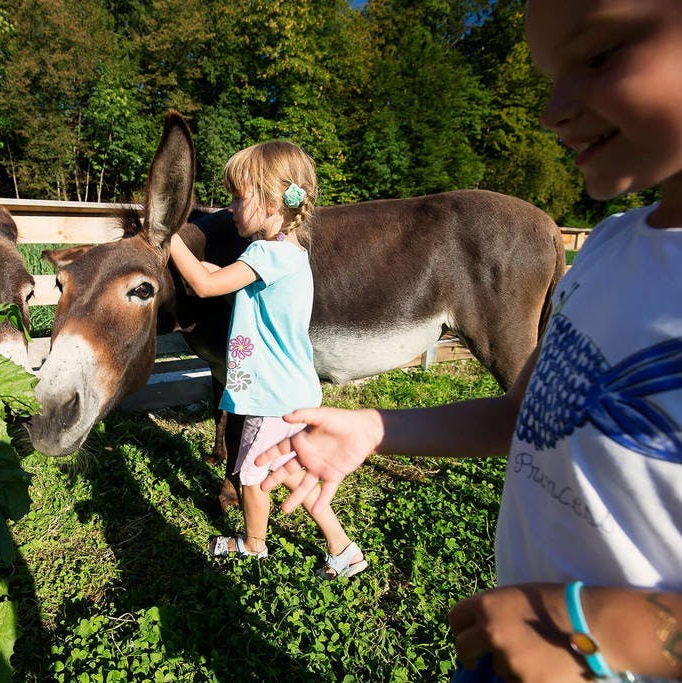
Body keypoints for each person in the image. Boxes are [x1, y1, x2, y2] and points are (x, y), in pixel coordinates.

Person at [254, 0, 682, 680]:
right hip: (514, 637)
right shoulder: (608, 249)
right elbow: (525, 413)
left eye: (600, 55)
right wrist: (375, 428)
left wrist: (595, 629)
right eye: (551, 76)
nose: (551, 111)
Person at [169, 141, 367, 579]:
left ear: (273, 204)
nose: (230, 208)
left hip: (270, 396)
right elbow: (222, 279)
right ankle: (344, 549)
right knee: (290, 474)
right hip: (292, 391)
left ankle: (253, 545)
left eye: (239, 198)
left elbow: (204, 284)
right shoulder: (291, 254)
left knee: (253, 476)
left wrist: (168, 237)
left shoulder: (264, 254)